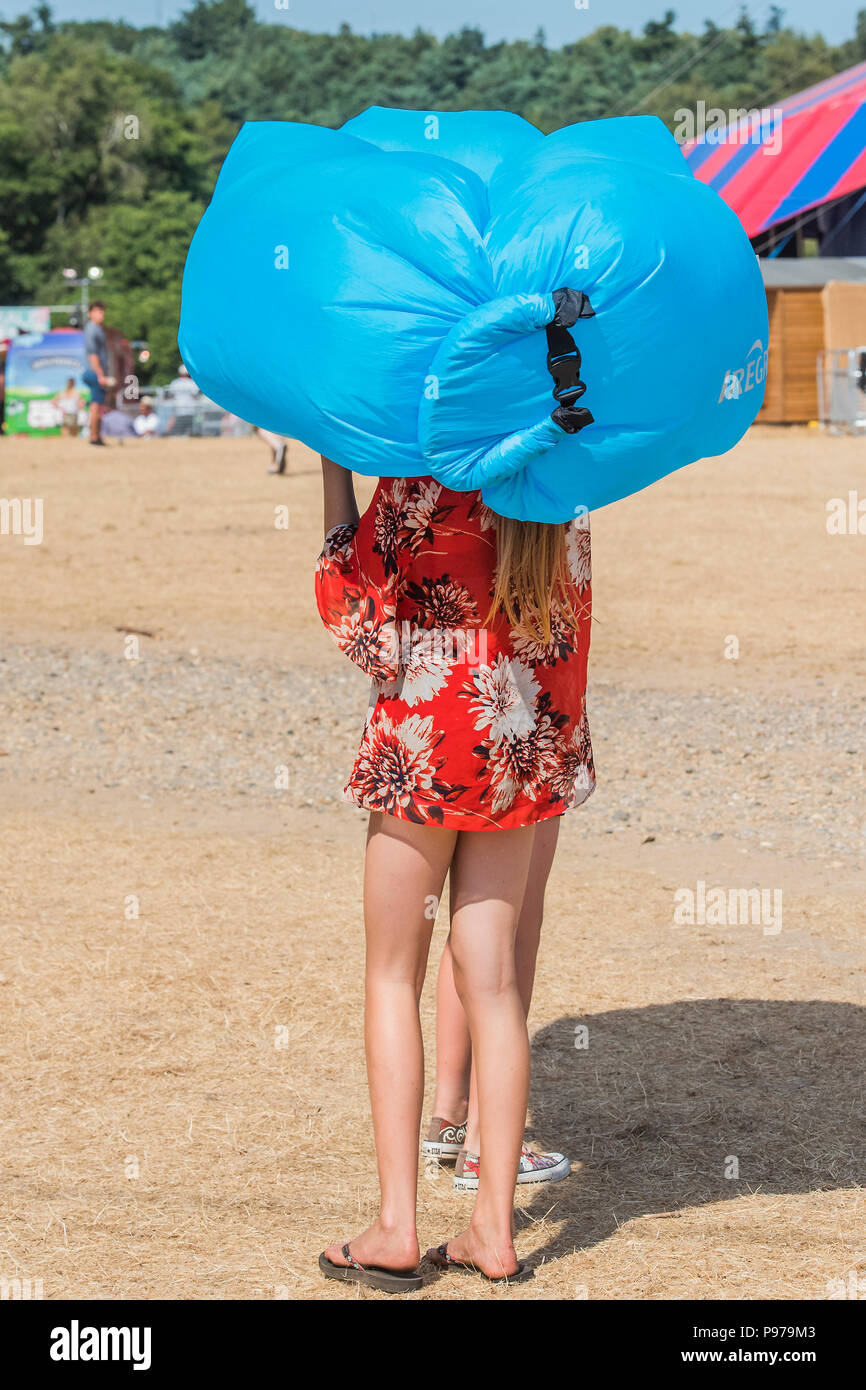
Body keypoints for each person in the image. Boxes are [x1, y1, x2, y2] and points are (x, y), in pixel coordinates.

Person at [314, 459, 594, 1290]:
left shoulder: (418, 477)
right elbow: (566, 646)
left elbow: (357, 618)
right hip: (514, 752)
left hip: (422, 750)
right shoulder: (563, 489)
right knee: (495, 986)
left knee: (392, 975)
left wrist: (334, 468)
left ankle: (396, 1227)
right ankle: (493, 1233)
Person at [82, 302, 111, 446]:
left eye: (102, 311)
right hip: (94, 372)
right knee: (96, 404)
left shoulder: (97, 329)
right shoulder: (92, 329)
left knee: (99, 404)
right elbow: (92, 353)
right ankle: (94, 436)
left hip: (95, 371)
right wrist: (100, 374)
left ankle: (96, 435)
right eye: (98, 311)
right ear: (90, 313)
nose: (101, 314)